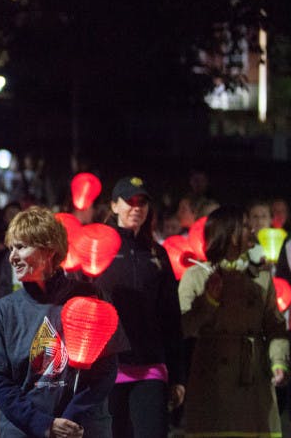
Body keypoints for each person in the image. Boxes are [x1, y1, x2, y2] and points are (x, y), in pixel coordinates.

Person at [0, 206, 121, 438]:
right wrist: (42, 424)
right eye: (11, 248)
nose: (12, 257)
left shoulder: (89, 298)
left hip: (82, 428)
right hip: (24, 430)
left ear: (49, 251)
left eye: (21, 247)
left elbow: (106, 369)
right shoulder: (5, 311)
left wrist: (71, 418)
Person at [179, 205, 289, 438]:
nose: (252, 230)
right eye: (246, 226)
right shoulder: (197, 276)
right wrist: (209, 300)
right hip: (212, 379)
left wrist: (278, 361)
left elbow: (275, 325)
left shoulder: (261, 276)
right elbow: (183, 326)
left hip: (252, 378)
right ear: (230, 233)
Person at [93, 177, 184, 438]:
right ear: (114, 206)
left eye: (142, 202)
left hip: (150, 365)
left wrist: (178, 375)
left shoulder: (157, 254)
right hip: (109, 366)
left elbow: (171, 316)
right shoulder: (97, 249)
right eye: (130, 201)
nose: (136, 207)